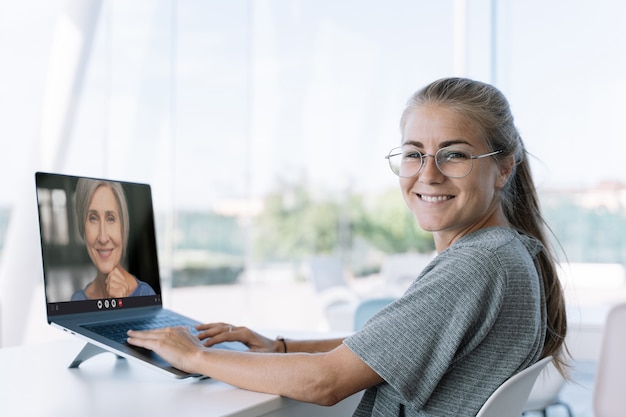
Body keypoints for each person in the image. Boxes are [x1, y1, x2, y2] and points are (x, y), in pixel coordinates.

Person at [127, 77, 568, 416]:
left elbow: (326, 383)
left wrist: (196, 356)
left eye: (454, 154)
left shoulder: (478, 266)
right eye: (414, 153)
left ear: (504, 168)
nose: (428, 174)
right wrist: (281, 348)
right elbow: (383, 347)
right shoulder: (506, 252)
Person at [71, 178, 156, 301]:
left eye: (110, 219)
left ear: (123, 226)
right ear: (82, 227)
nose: (103, 238)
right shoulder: (77, 300)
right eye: (93, 218)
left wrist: (121, 306)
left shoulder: (145, 295)